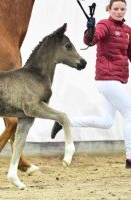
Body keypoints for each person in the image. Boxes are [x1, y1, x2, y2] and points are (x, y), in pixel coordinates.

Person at [51, 0, 131, 169]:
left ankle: (64, 121)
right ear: (108, 9)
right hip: (107, 79)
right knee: (129, 113)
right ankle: (130, 158)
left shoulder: (127, 31)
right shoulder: (104, 25)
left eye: (122, 9)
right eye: (115, 8)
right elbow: (90, 40)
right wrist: (90, 29)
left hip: (118, 80)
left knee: (106, 122)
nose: (119, 11)